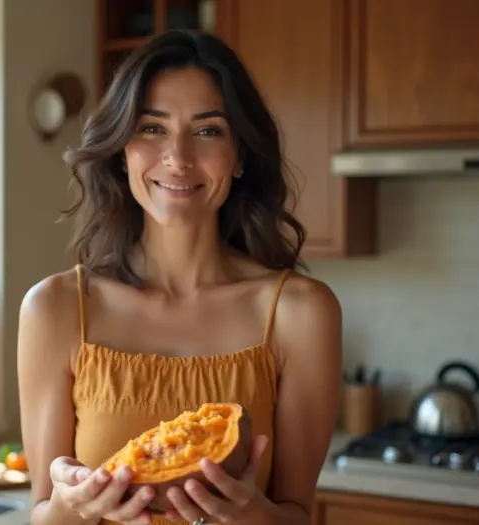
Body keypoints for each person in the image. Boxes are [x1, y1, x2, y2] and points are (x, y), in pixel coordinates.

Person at [17, 29, 342, 525]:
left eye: (208, 131)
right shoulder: (54, 308)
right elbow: (42, 515)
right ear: (122, 150)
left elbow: (297, 515)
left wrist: (253, 516)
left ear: (240, 156)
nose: (178, 157)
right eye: (152, 128)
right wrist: (71, 504)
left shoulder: (301, 313)